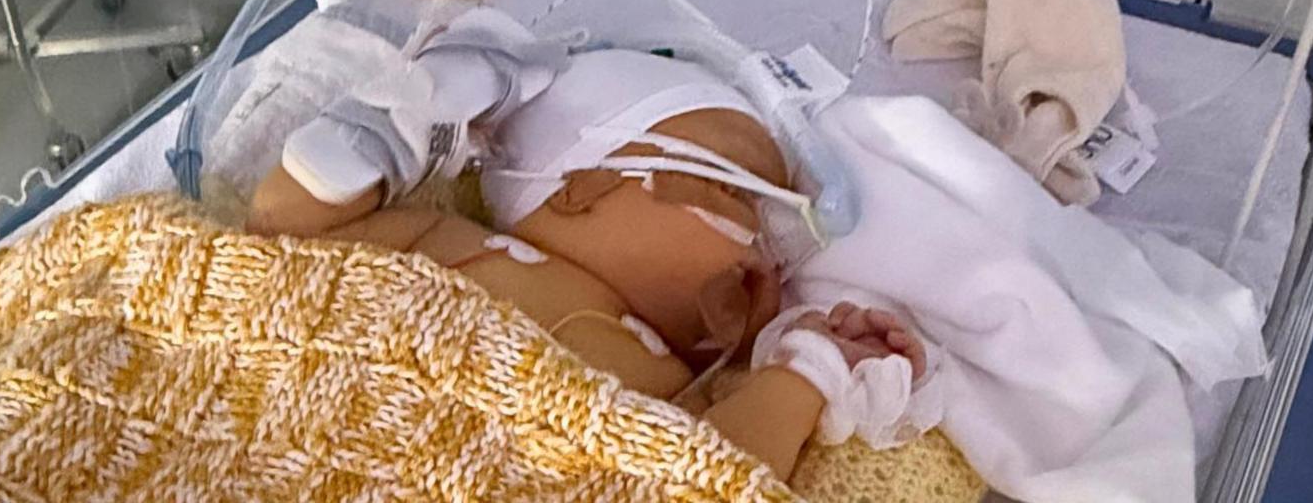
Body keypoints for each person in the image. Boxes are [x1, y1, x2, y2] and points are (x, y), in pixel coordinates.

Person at [250, 41, 924, 480]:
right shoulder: (440, 240)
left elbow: (709, 478)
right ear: (581, 189)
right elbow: (281, 237)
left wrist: (808, 371)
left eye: (773, 244)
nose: (764, 253)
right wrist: (407, 115)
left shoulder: (669, 383)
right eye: (732, 193)